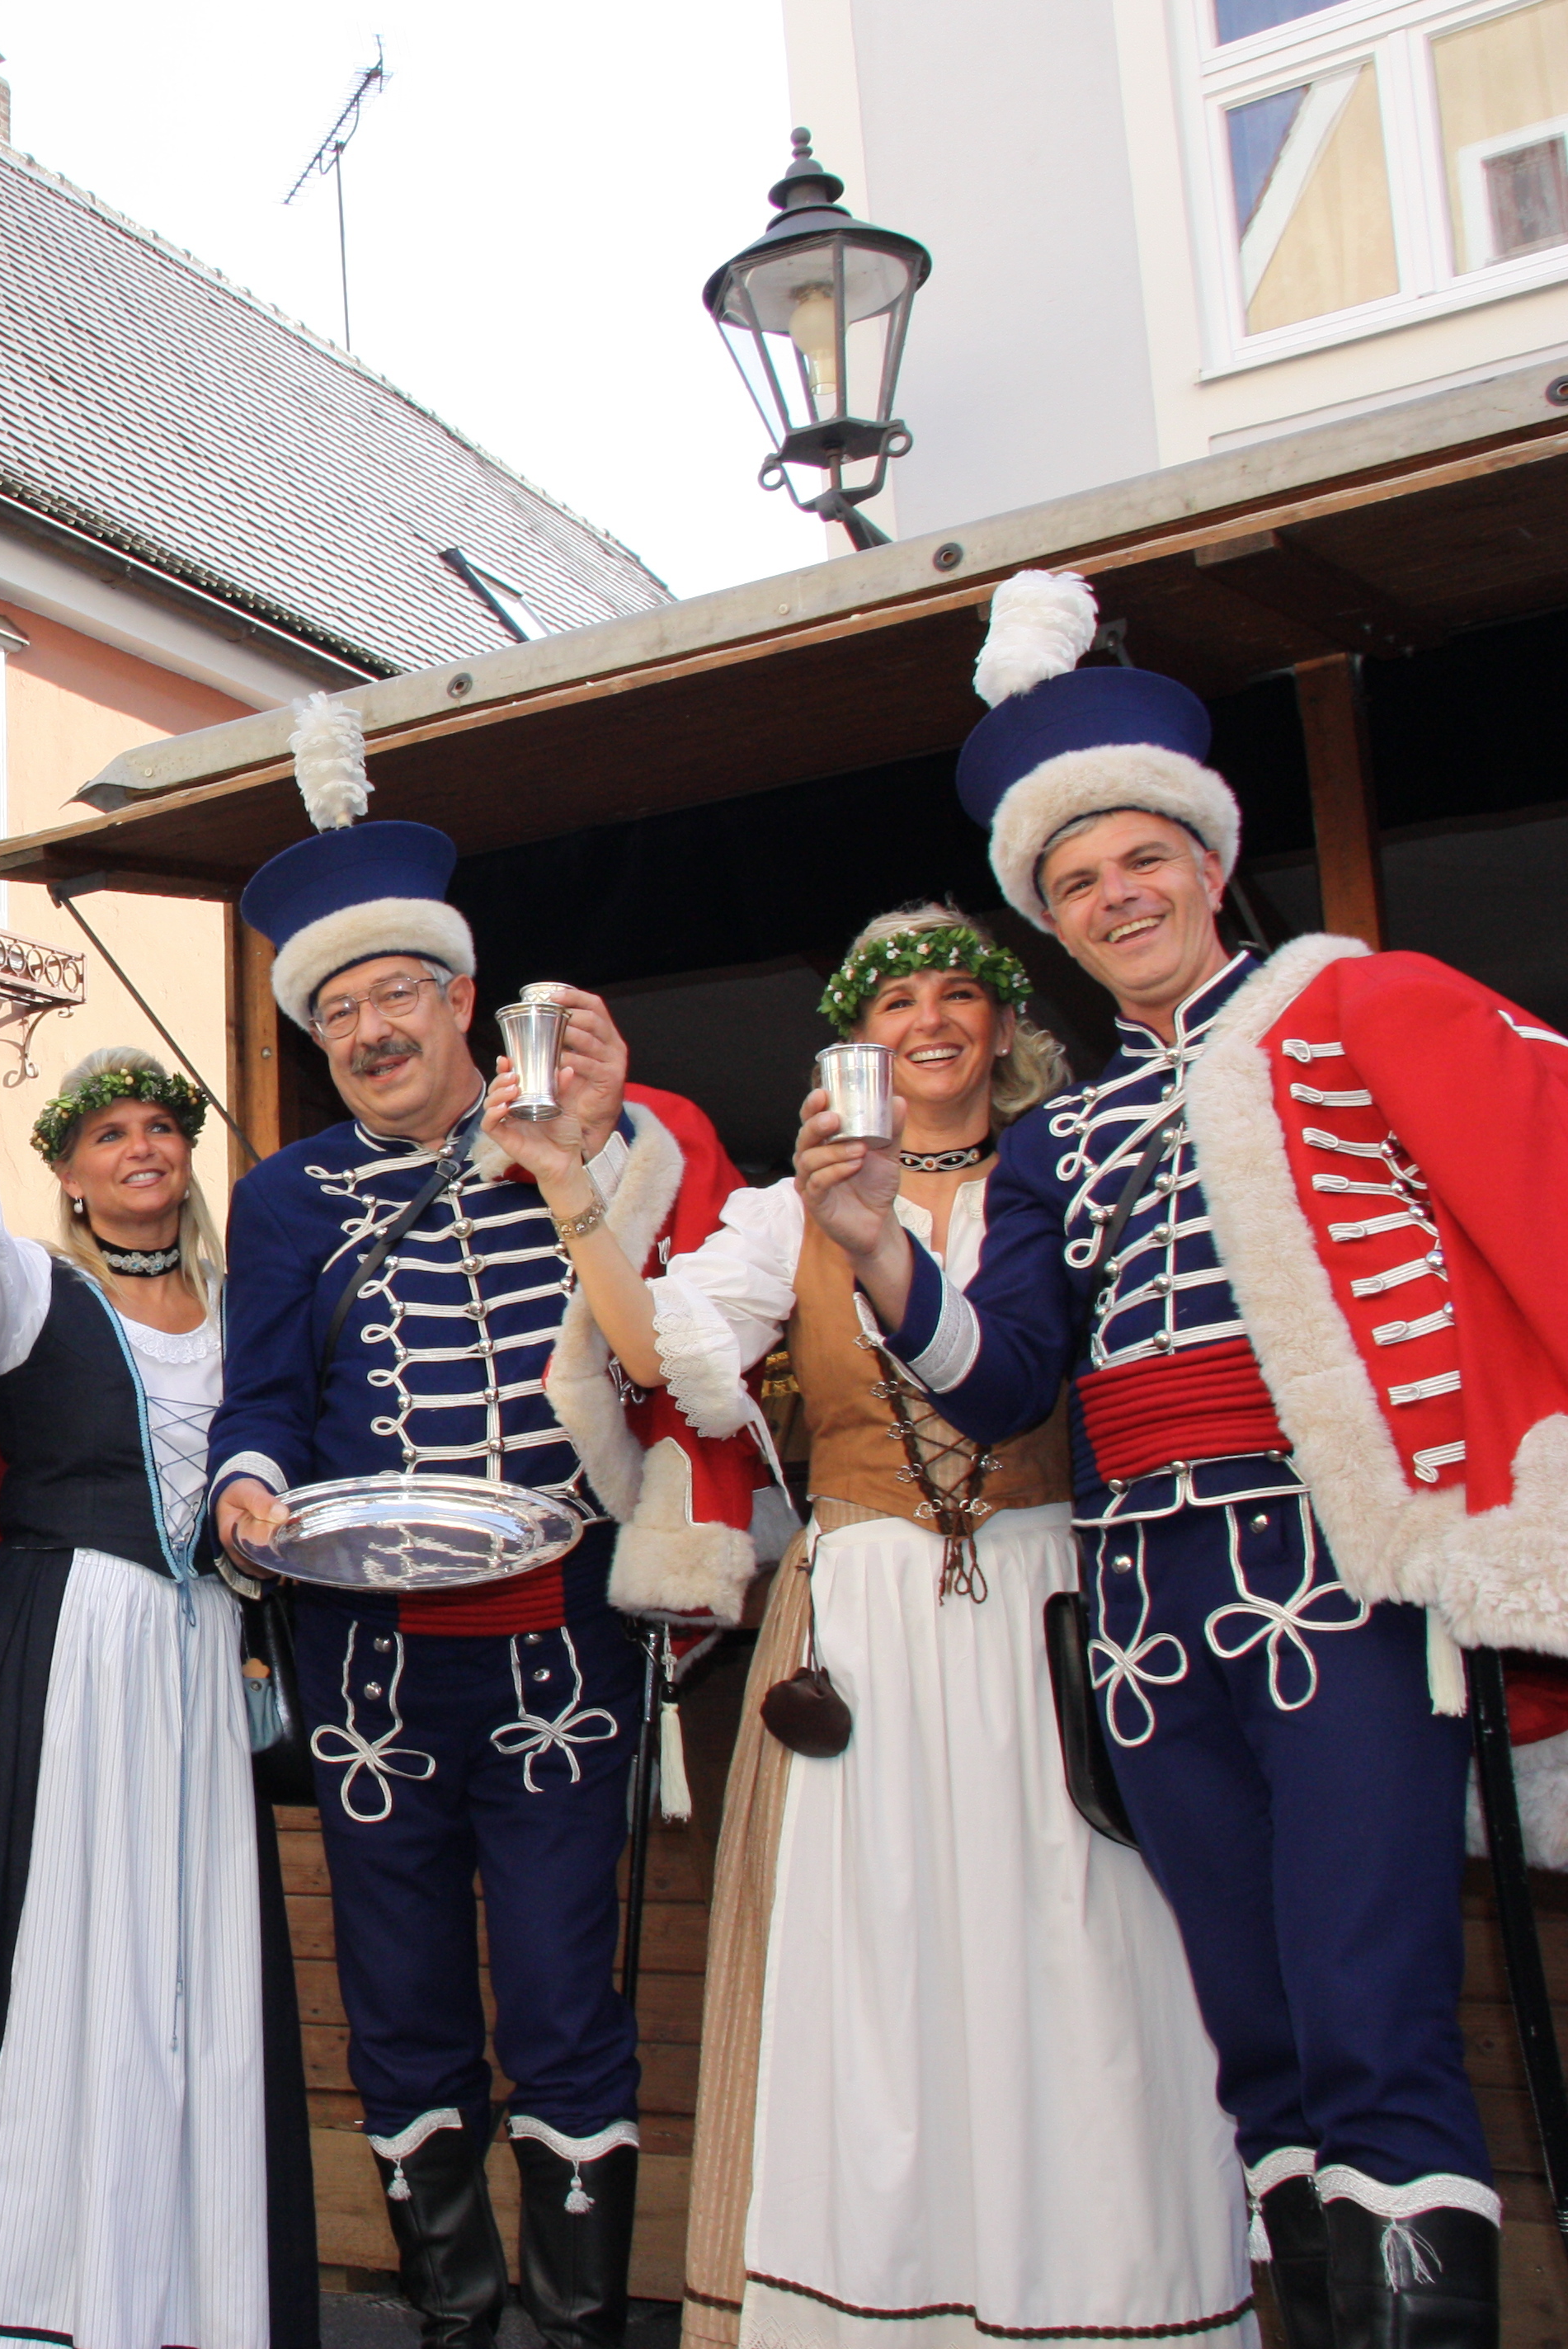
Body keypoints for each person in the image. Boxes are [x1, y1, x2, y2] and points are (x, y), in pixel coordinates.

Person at [799, 567, 1568, 2342]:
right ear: (1054, 923)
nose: (1114, 894)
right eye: (1075, 881)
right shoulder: (1061, 1141)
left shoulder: (1340, 1011)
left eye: (1139, 859)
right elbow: (1003, 1392)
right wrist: (874, 1243)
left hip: (1334, 1569)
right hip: (1146, 1594)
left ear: (1207, 867)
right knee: (1262, 2040)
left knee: (1374, 2010)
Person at [516, 900, 1248, 2348]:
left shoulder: (1074, 1168)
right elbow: (664, 1350)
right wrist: (568, 1181)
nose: (928, 1021)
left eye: (954, 995)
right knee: (874, 1960)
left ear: (1002, 1026)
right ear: (855, 1043)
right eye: (892, 1002)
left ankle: (1105, 2300)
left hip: (1053, 1600)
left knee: (1082, 1947)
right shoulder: (791, 1214)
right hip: (860, 1609)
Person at [208, 718, 758, 2349]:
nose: (371, 1028)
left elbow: (687, 1330)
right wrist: (245, 1482)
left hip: (563, 1642)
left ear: (461, 997)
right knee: (399, 2010)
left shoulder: (591, 1134)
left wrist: (587, 1145)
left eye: (397, 994)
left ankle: (580, 2323)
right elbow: (263, 1394)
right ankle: (456, 2311)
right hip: (369, 1661)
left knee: (566, 2000)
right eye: (338, 1009)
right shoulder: (290, 1195)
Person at [0, 935, 320, 2349]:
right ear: (66, 1172)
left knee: (185, 1960)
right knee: (64, 1951)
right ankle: (35, 2295)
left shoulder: (248, 1316)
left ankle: (180, 2291)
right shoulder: (28, 1293)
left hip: (195, 1661)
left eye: (160, 1129)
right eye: (108, 1134)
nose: (141, 1148)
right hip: (61, 1649)